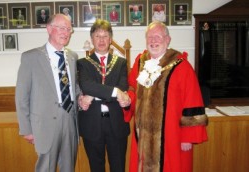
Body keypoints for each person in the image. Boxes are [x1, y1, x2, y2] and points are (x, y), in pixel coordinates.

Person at [124, 21, 208, 172]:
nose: (153, 41)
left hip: (172, 136)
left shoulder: (182, 66)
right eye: (150, 37)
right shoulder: (140, 63)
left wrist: (188, 136)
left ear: (167, 39)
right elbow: (132, 89)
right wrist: (127, 99)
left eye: (158, 37)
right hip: (142, 136)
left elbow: (192, 101)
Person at [15, 14, 79, 172]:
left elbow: (74, 87)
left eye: (69, 29)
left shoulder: (72, 57)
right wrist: (26, 129)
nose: (66, 32)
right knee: (45, 168)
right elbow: (21, 96)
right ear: (49, 29)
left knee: (68, 167)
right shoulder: (30, 57)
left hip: (70, 120)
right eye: (62, 28)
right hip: (44, 124)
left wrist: (82, 96)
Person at [77, 19, 131, 172]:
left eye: (105, 36)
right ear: (92, 39)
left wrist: (92, 95)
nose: (101, 40)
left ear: (111, 39)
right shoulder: (83, 63)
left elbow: (122, 87)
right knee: (96, 168)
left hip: (116, 124)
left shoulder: (121, 62)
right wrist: (113, 92)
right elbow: (86, 85)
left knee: (118, 167)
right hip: (91, 124)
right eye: (97, 36)